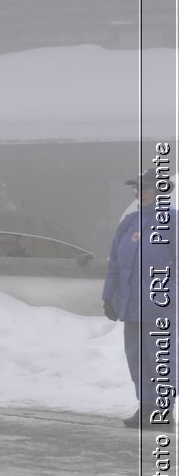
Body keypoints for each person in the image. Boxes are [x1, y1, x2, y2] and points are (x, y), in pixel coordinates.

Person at [104, 167, 172, 428]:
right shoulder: (128, 223)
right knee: (137, 357)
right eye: (136, 188)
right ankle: (145, 406)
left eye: (144, 187)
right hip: (132, 306)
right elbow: (115, 265)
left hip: (163, 307)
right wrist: (109, 297)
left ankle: (164, 410)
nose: (138, 192)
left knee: (162, 358)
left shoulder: (173, 223)